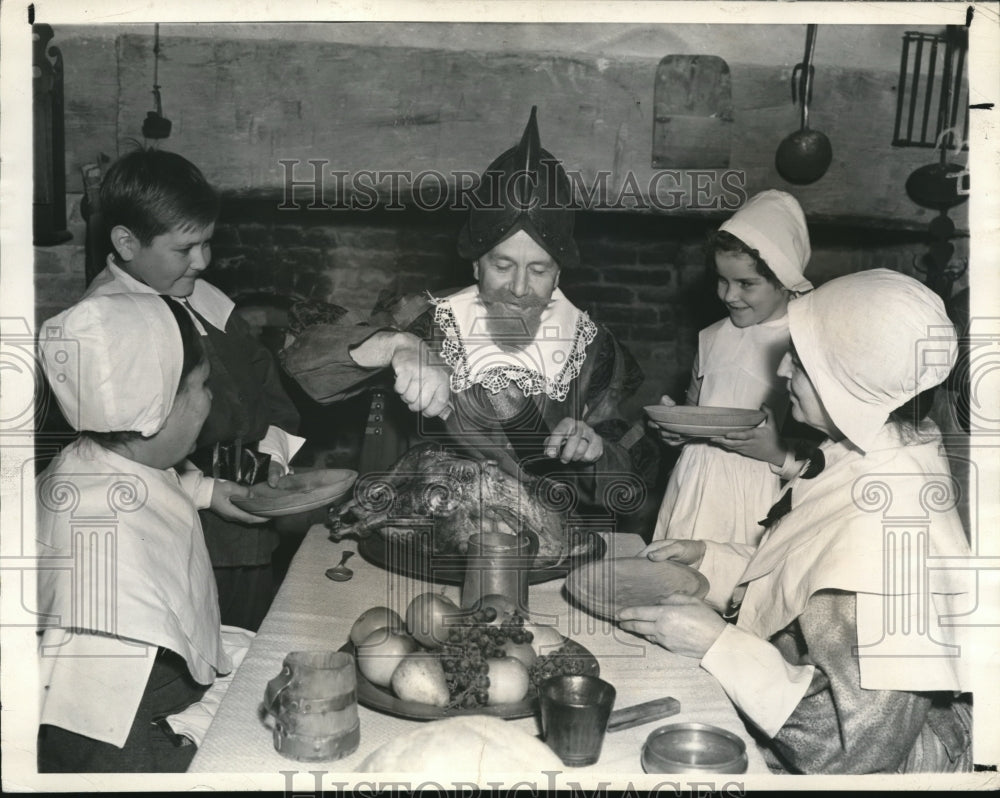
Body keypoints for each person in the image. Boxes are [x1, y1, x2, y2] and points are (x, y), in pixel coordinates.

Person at [619, 269, 974, 774]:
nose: (783, 368)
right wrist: (710, 563)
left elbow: (853, 750)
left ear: (852, 382)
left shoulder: (893, 537)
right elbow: (811, 579)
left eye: (804, 362)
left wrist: (717, 645)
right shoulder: (875, 449)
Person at [280, 107, 656, 513]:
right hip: (422, 534)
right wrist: (395, 346)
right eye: (502, 265)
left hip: (534, 547)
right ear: (476, 263)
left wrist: (596, 451)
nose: (518, 288)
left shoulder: (594, 350)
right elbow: (303, 355)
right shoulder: (425, 319)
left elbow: (631, 479)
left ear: (559, 272)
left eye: (539, 269)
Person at [84, 148, 305, 631]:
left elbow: (269, 393)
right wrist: (205, 491)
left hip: (248, 530)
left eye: (207, 242)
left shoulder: (206, 297)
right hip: (175, 538)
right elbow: (104, 464)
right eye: (184, 249)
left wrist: (274, 461)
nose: (203, 261)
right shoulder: (105, 322)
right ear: (126, 242)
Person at [35, 293, 234, 772]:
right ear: (156, 410)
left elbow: (144, 496)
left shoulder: (97, 456)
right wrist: (178, 763)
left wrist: (209, 491)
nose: (210, 398)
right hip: (131, 724)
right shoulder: (106, 573)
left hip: (149, 684)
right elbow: (90, 747)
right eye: (202, 384)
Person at [650, 190, 814, 546]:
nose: (728, 295)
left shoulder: (805, 343)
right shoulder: (710, 337)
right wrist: (678, 430)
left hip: (760, 494)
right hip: (694, 487)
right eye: (722, 280)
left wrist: (775, 452)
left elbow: (825, 456)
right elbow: (697, 411)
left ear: (784, 280)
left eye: (746, 284)